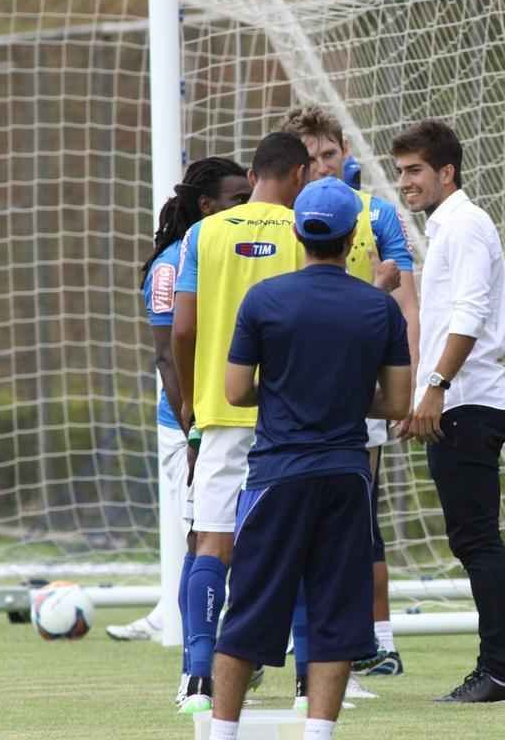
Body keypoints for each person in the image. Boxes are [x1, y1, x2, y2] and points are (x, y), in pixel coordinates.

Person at [210, 176, 412, 740]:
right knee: (336, 619)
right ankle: (318, 734)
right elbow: (397, 403)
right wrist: (341, 396)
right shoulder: (379, 308)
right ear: (351, 240)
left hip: (277, 476)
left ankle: (222, 734)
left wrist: (286, 391)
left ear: (298, 234)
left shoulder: (263, 300)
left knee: (248, 611)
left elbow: (235, 391)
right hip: (346, 478)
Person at [172, 133, 311, 714]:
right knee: (301, 548)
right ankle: (308, 687)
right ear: (300, 175)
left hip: (221, 411)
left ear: (252, 175)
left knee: (212, 542)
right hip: (290, 416)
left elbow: (183, 327)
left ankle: (198, 680)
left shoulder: (202, 234)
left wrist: (191, 398)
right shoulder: (305, 231)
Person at [279, 105, 419, 682]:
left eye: (330, 154)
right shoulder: (280, 222)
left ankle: (375, 643)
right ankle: (299, 643)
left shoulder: (376, 214)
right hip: (291, 396)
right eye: (310, 158)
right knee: (289, 524)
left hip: (358, 395)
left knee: (359, 518)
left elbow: (407, 302)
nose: (321, 167)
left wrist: (409, 386)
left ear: (345, 153)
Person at [108, 157, 251, 696]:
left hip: (236, 416)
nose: (247, 208)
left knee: (244, 538)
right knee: (204, 538)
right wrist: (191, 426)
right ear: (206, 205)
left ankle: (236, 652)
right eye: (238, 200)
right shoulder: (171, 265)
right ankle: (196, 668)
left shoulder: (236, 249)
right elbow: (168, 355)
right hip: (190, 425)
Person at [392, 119, 505, 703]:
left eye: (415, 170)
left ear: (447, 172)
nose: (405, 181)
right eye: (400, 171)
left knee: (478, 541)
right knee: (473, 541)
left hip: (469, 402)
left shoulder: (466, 223)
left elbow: (469, 314)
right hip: (460, 400)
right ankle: (498, 669)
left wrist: (436, 386)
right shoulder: (446, 225)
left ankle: (501, 673)